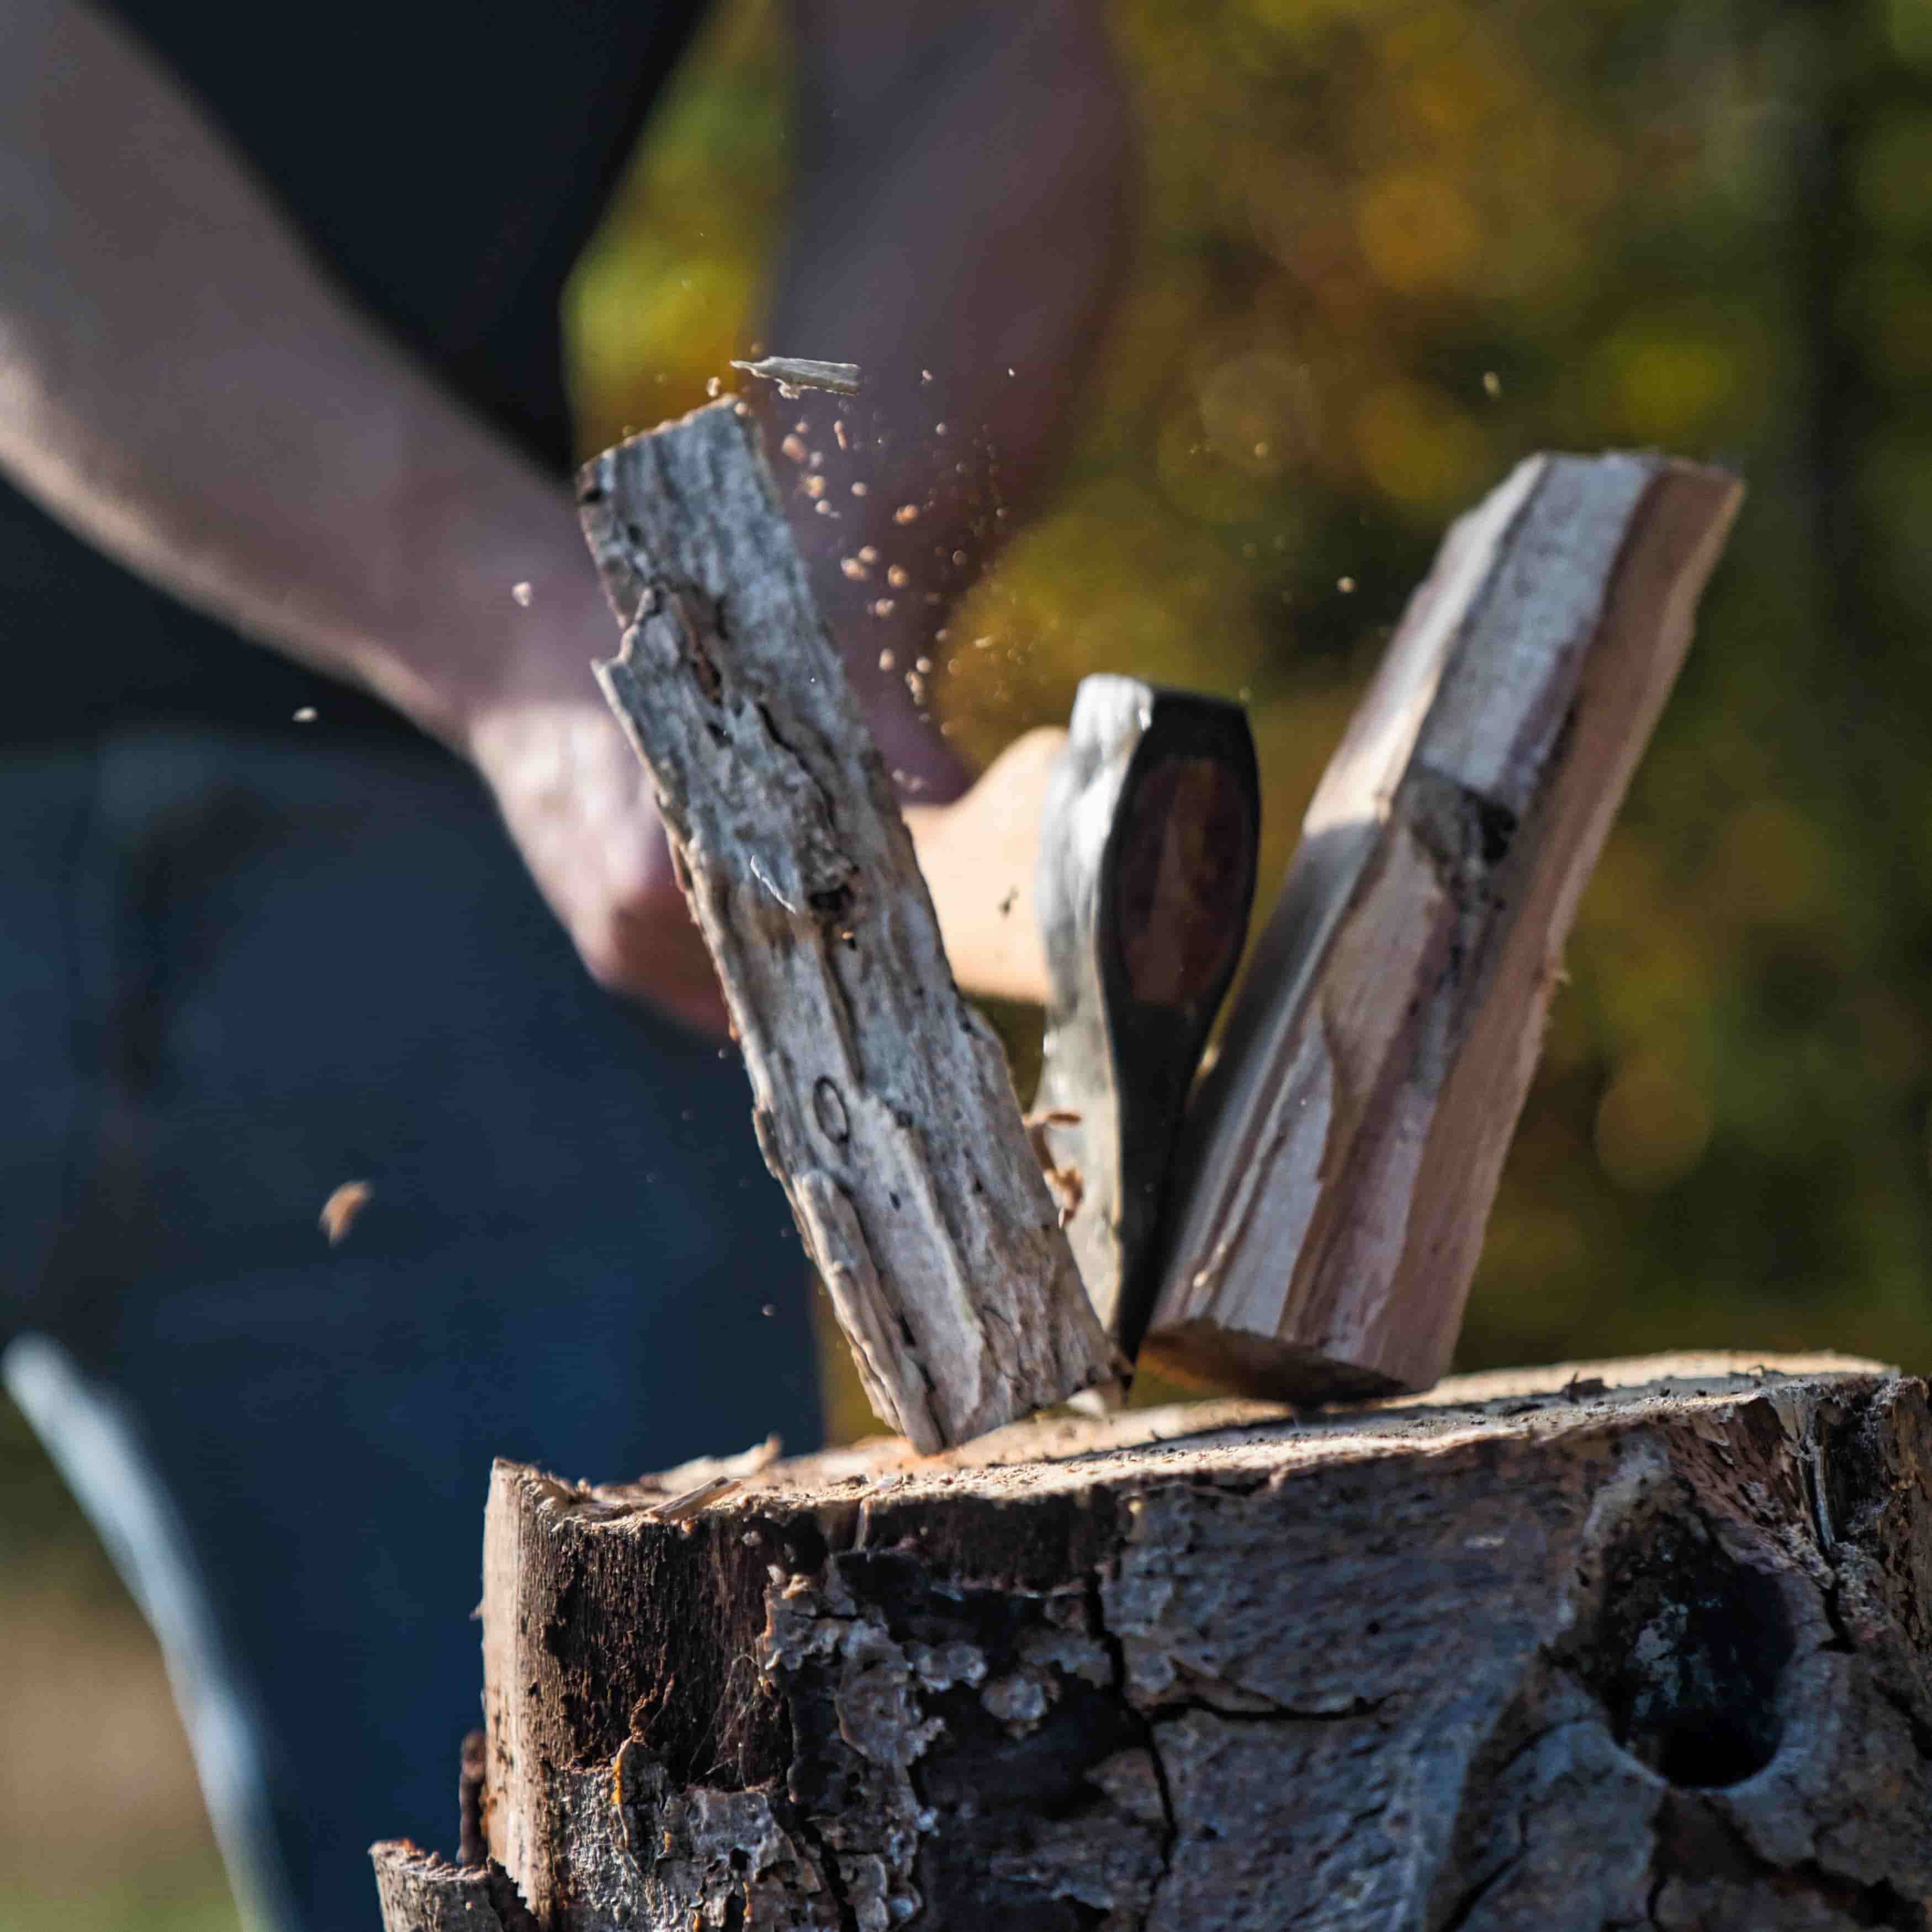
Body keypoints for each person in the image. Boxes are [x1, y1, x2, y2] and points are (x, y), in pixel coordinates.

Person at [0, 4, 1131, 1927]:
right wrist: (539, 654)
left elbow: (970, 52)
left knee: (654, 1830)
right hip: (450, 657)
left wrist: (792, 653)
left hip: (399, 840)